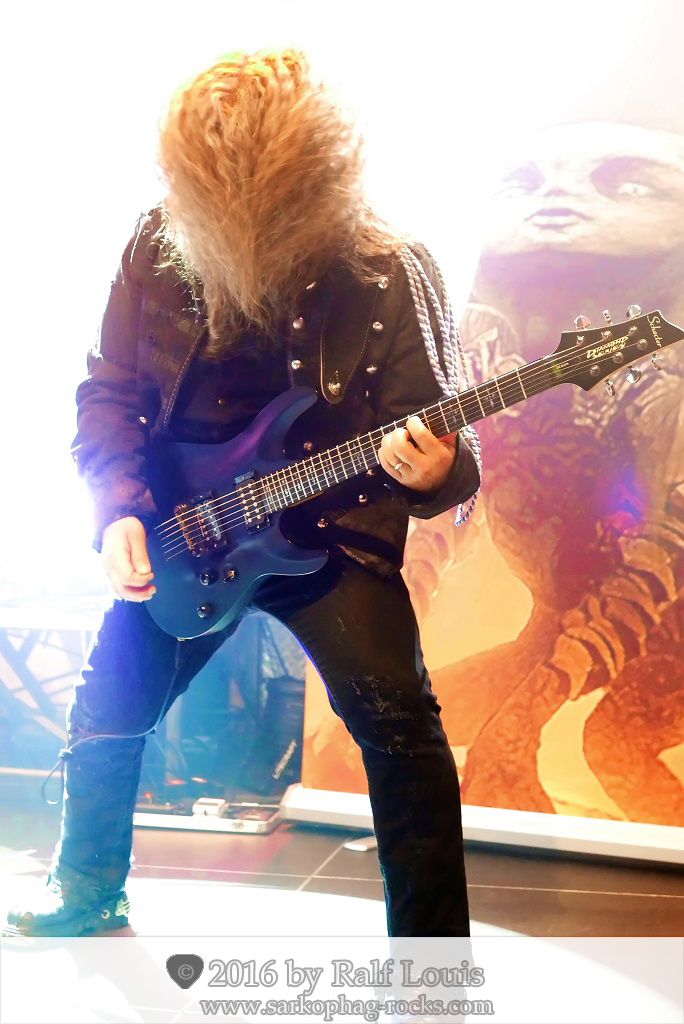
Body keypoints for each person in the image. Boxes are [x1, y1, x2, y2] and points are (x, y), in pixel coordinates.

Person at [4, 49, 480, 938]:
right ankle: (86, 890)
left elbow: (446, 436)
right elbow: (109, 390)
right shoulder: (157, 241)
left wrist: (436, 471)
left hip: (331, 534)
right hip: (187, 525)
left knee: (401, 728)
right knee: (107, 709)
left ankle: (430, 958)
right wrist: (117, 511)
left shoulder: (391, 267)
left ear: (310, 180)